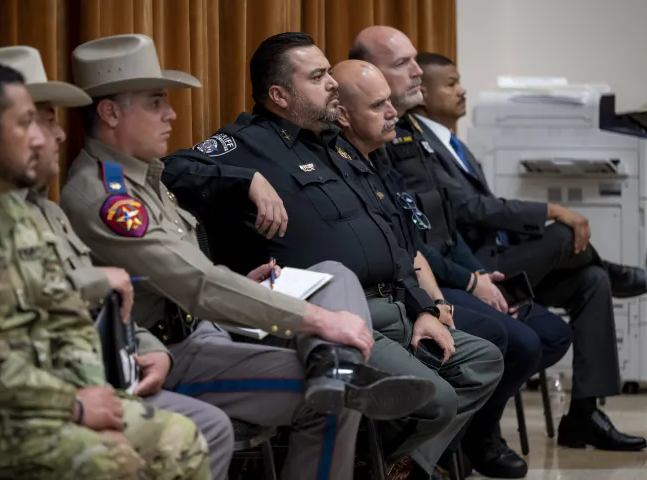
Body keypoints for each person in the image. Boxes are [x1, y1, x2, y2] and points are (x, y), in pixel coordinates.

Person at [59, 33, 433, 480]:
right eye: (156, 102)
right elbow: (196, 283)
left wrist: (251, 285)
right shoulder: (107, 196)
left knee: (333, 277)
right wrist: (317, 321)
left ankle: (336, 367)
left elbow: (188, 272)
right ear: (111, 112)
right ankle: (338, 369)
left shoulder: (144, 178)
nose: (172, 113)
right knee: (338, 394)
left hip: (203, 333)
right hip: (165, 353)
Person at [160, 32, 504, 480]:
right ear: (279, 95)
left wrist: (425, 308)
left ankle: (384, 464)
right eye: (319, 76)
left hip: (394, 307)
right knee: (435, 400)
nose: (332, 85)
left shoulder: (335, 145)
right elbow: (172, 169)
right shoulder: (248, 144)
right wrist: (244, 179)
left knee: (483, 361)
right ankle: (376, 461)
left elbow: (390, 232)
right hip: (326, 318)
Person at [0, 45, 236, 480]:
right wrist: (78, 406)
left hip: (53, 389)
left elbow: (68, 317)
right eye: (33, 121)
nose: (57, 135)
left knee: (181, 437)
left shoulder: (22, 211)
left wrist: (104, 394)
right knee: (149, 447)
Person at [347, 27, 575, 476]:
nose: (415, 72)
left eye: (416, 62)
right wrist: (463, 284)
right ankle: (459, 443)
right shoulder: (369, 140)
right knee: (513, 340)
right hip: (410, 285)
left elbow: (441, 223)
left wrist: (476, 278)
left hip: (440, 272)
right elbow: (415, 242)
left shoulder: (413, 132)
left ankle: (464, 435)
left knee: (548, 332)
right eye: (403, 64)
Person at [409, 51, 647, 453]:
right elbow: (468, 209)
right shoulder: (413, 142)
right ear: (422, 92)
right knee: (559, 235)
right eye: (450, 83)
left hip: (500, 258)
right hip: (478, 268)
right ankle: (605, 263)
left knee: (591, 280)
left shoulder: (453, 144)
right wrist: (551, 209)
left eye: (459, 80)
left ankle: (584, 415)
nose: (461, 89)